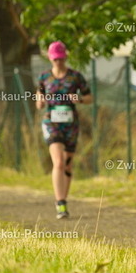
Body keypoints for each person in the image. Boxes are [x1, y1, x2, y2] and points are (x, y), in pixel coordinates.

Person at [36, 41, 92, 219]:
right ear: (50, 59)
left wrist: (79, 99)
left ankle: (64, 200)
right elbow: (39, 94)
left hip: (70, 123)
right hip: (51, 122)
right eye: (55, 59)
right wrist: (40, 101)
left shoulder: (75, 77)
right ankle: (60, 204)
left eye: (61, 59)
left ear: (65, 57)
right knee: (58, 162)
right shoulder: (44, 77)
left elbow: (89, 97)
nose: (58, 62)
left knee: (67, 164)